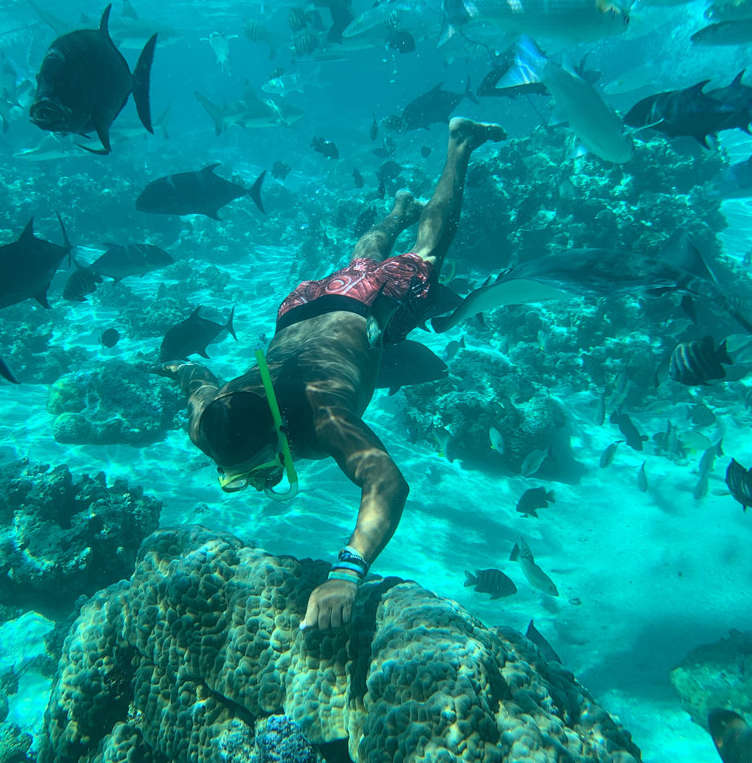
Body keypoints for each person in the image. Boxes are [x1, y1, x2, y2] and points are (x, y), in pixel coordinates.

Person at [160, 117, 506, 630]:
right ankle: (395, 212)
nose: (256, 484)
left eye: (256, 470)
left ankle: (458, 144)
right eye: (236, 478)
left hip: (364, 308)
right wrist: (176, 365)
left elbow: (387, 483)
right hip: (298, 306)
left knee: (427, 253)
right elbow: (196, 382)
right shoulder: (209, 424)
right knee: (361, 260)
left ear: (280, 432)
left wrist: (347, 572)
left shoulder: (324, 414)